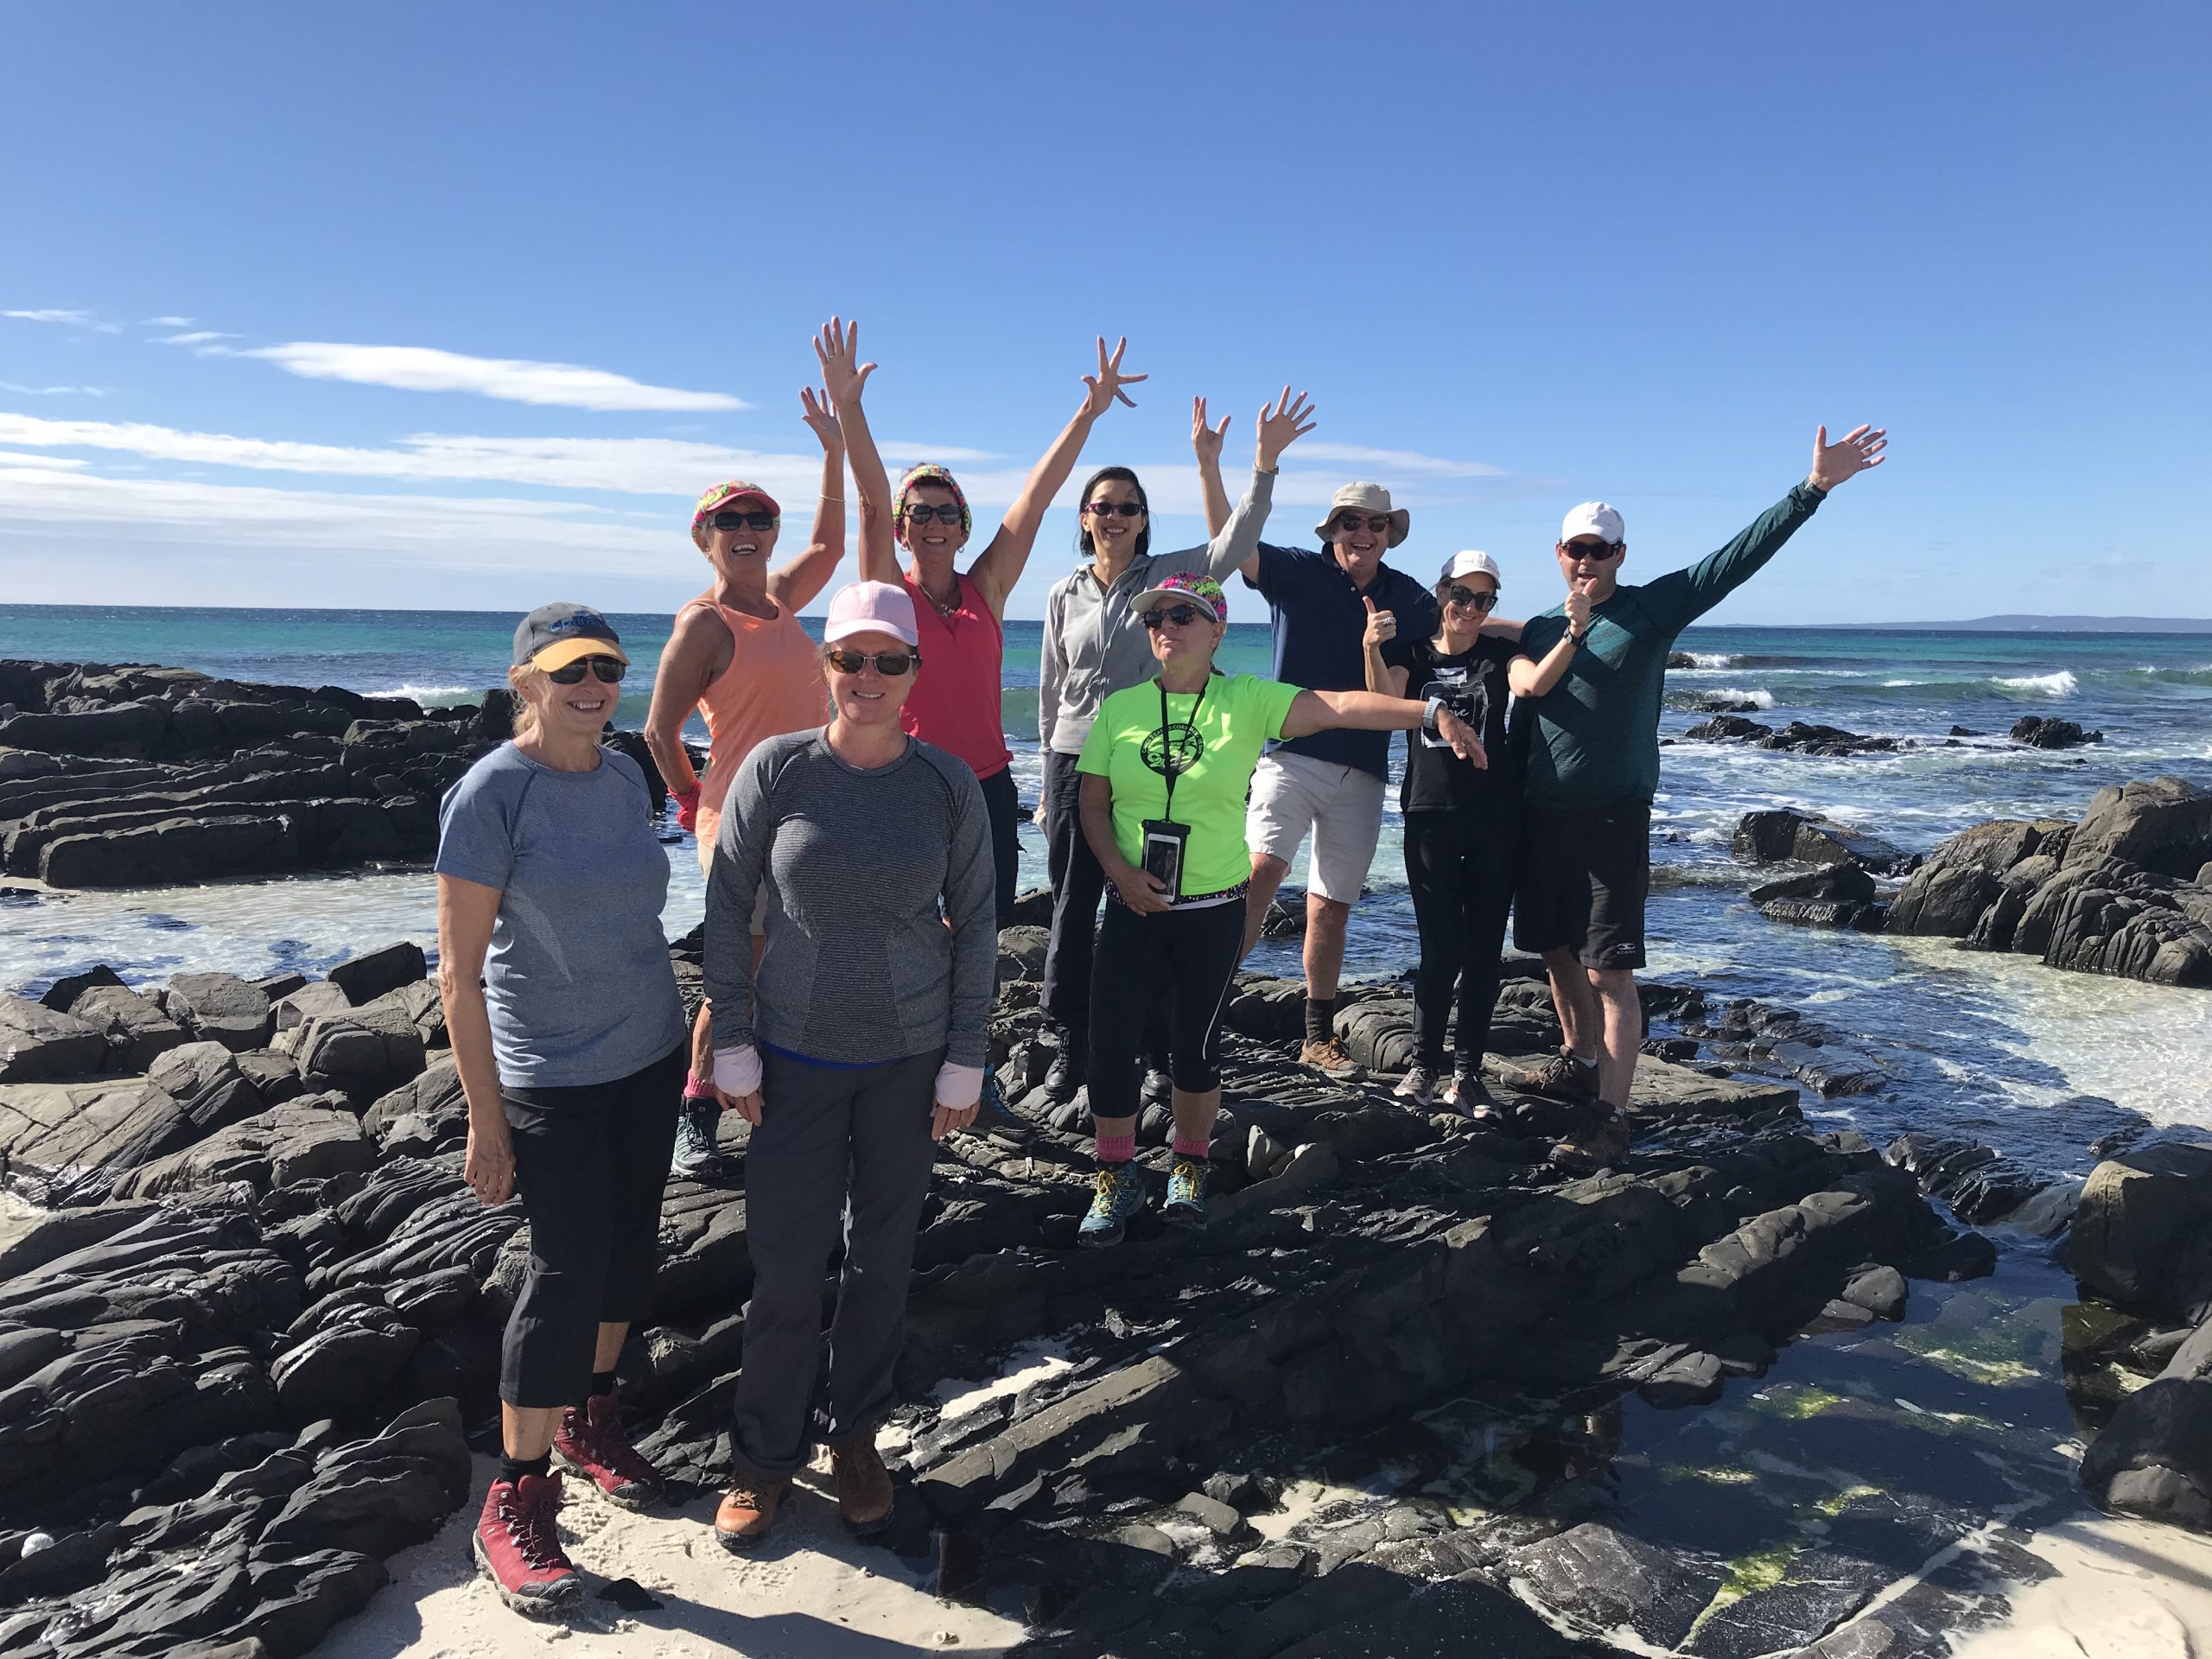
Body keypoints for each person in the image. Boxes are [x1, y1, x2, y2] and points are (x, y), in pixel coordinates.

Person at [702, 580, 995, 1548]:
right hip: (792, 1058)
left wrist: (966, 1057)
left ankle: (855, 1437)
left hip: (910, 1062)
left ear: (913, 670)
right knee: (787, 1271)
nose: (867, 676)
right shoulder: (777, 768)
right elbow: (726, 906)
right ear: (825, 665)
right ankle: (762, 1457)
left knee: (881, 1262)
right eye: (849, 658)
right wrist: (732, 1041)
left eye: (888, 660)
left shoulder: (946, 783)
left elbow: (979, 924)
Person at [1508, 423, 1889, 1166]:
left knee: (1608, 970)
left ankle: (1612, 1117)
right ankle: (1578, 1062)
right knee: (1554, 951)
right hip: (1541, 817)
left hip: (1613, 817)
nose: (1586, 559)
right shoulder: (1541, 628)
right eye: (1576, 548)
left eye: (1600, 550)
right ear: (1558, 552)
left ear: (1620, 555)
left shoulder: (1651, 609)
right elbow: (1466, 634)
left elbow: (1734, 560)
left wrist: (1811, 489)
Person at [1074, 573, 1483, 1244]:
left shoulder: (1246, 699)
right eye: (1156, 618)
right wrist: (1119, 871)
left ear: (1216, 631)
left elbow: (1341, 706)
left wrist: (1428, 712)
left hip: (1212, 911)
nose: (1166, 627)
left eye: (1183, 616)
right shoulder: (1121, 709)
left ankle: (1188, 1169)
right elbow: (1091, 804)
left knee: (1195, 1049)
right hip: (1132, 908)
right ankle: (1115, 1178)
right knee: (1111, 1047)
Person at [437, 603, 690, 1619]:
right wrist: (485, 1119)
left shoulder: (625, 774)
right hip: (551, 1075)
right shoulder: (491, 794)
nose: (593, 687)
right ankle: (516, 1494)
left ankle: (591, 1418)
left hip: (650, 1055)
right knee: (563, 1271)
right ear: (526, 683)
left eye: (608, 669)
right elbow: (457, 976)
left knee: (630, 1252)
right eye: (571, 670)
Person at [1035, 389, 1318, 1103]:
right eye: (1103, 506)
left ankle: (1162, 1048)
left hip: (1154, 759)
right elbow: (1050, 689)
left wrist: (1256, 466)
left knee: (1161, 901)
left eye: (1128, 507)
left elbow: (1238, 539)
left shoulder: (1169, 579)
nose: (1115, 517)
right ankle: (1070, 1038)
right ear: (1084, 517)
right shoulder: (1063, 593)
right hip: (1075, 761)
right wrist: (1045, 785)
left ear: (1143, 520)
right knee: (1074, 904)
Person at [821, 317, 1144, 924]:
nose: (934, 524)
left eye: (947, 513)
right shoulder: (889, 595)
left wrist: (1089, 412)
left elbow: (1035, 499)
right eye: (919, 513)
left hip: (988, 786)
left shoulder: (986, 589)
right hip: (910, 780)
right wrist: (849, 409)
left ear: (963, 528)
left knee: (984, 926)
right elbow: (871, 502)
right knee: (908, 926)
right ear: (903, 529)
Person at [643, 383, 848, 1181]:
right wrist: (694, 804)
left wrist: (833, 448)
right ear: (703, 538)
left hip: (813, 814)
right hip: (737, 821)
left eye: (759, 519)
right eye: (729, 521)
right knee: (747, 967)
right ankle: (695, 1110)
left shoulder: (783, 601)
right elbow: (659, 731)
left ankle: (773, 1098)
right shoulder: (704, 622)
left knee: (799, 963)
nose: (747, 531)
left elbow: (830, 544)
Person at [1363, 550, 1524, 1112]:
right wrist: (1371, 647)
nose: (1471, 608)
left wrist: (1564, 627)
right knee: (1438, 950)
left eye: (1484, 599)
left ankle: (1468, 1074)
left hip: (1496, 818)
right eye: (1461, 595)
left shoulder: (1498, 654)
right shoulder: (1413, 654)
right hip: (1429, 814)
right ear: (1441, 593)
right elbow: (1384, 703)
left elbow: (1536, 652)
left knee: (1484, 952)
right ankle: (1424, 1068)